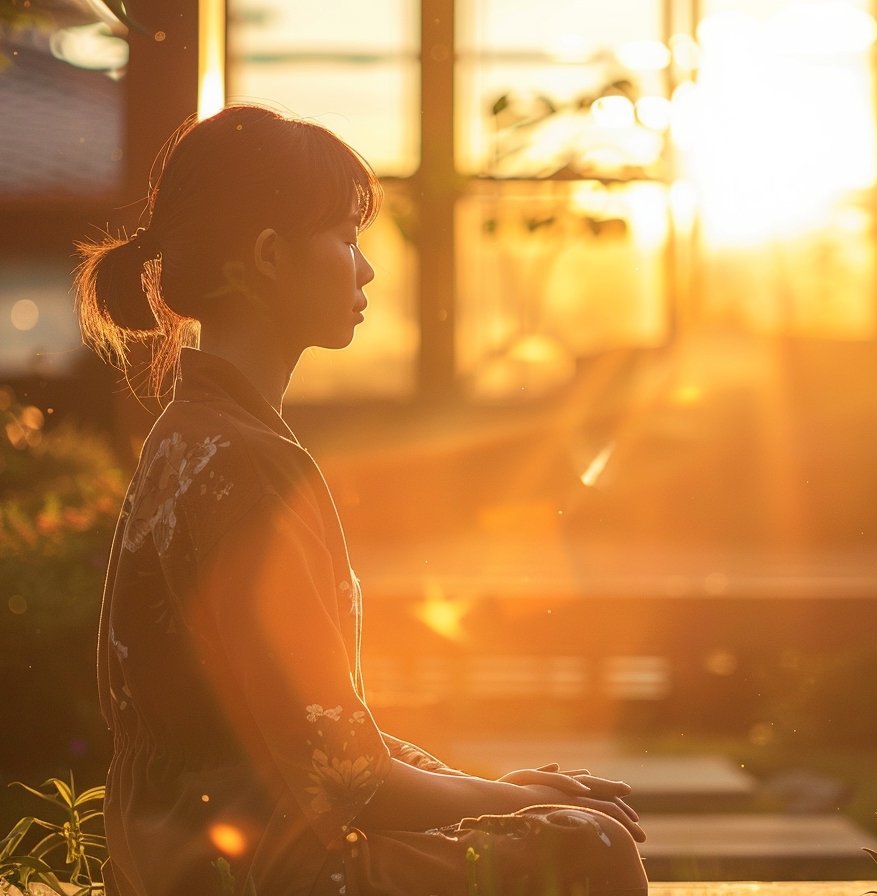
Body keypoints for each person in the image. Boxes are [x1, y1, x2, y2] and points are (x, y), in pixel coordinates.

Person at [76, 105, 649, 896]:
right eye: (347, 238)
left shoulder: (189, 436)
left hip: (173, 860)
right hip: (266, 871)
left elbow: (324, 736)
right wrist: (508, 798)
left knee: (554, 823)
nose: (366, 268)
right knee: (590, 848)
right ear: (269, 258)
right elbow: (352, 780)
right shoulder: (249, 463)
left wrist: (488, 791)